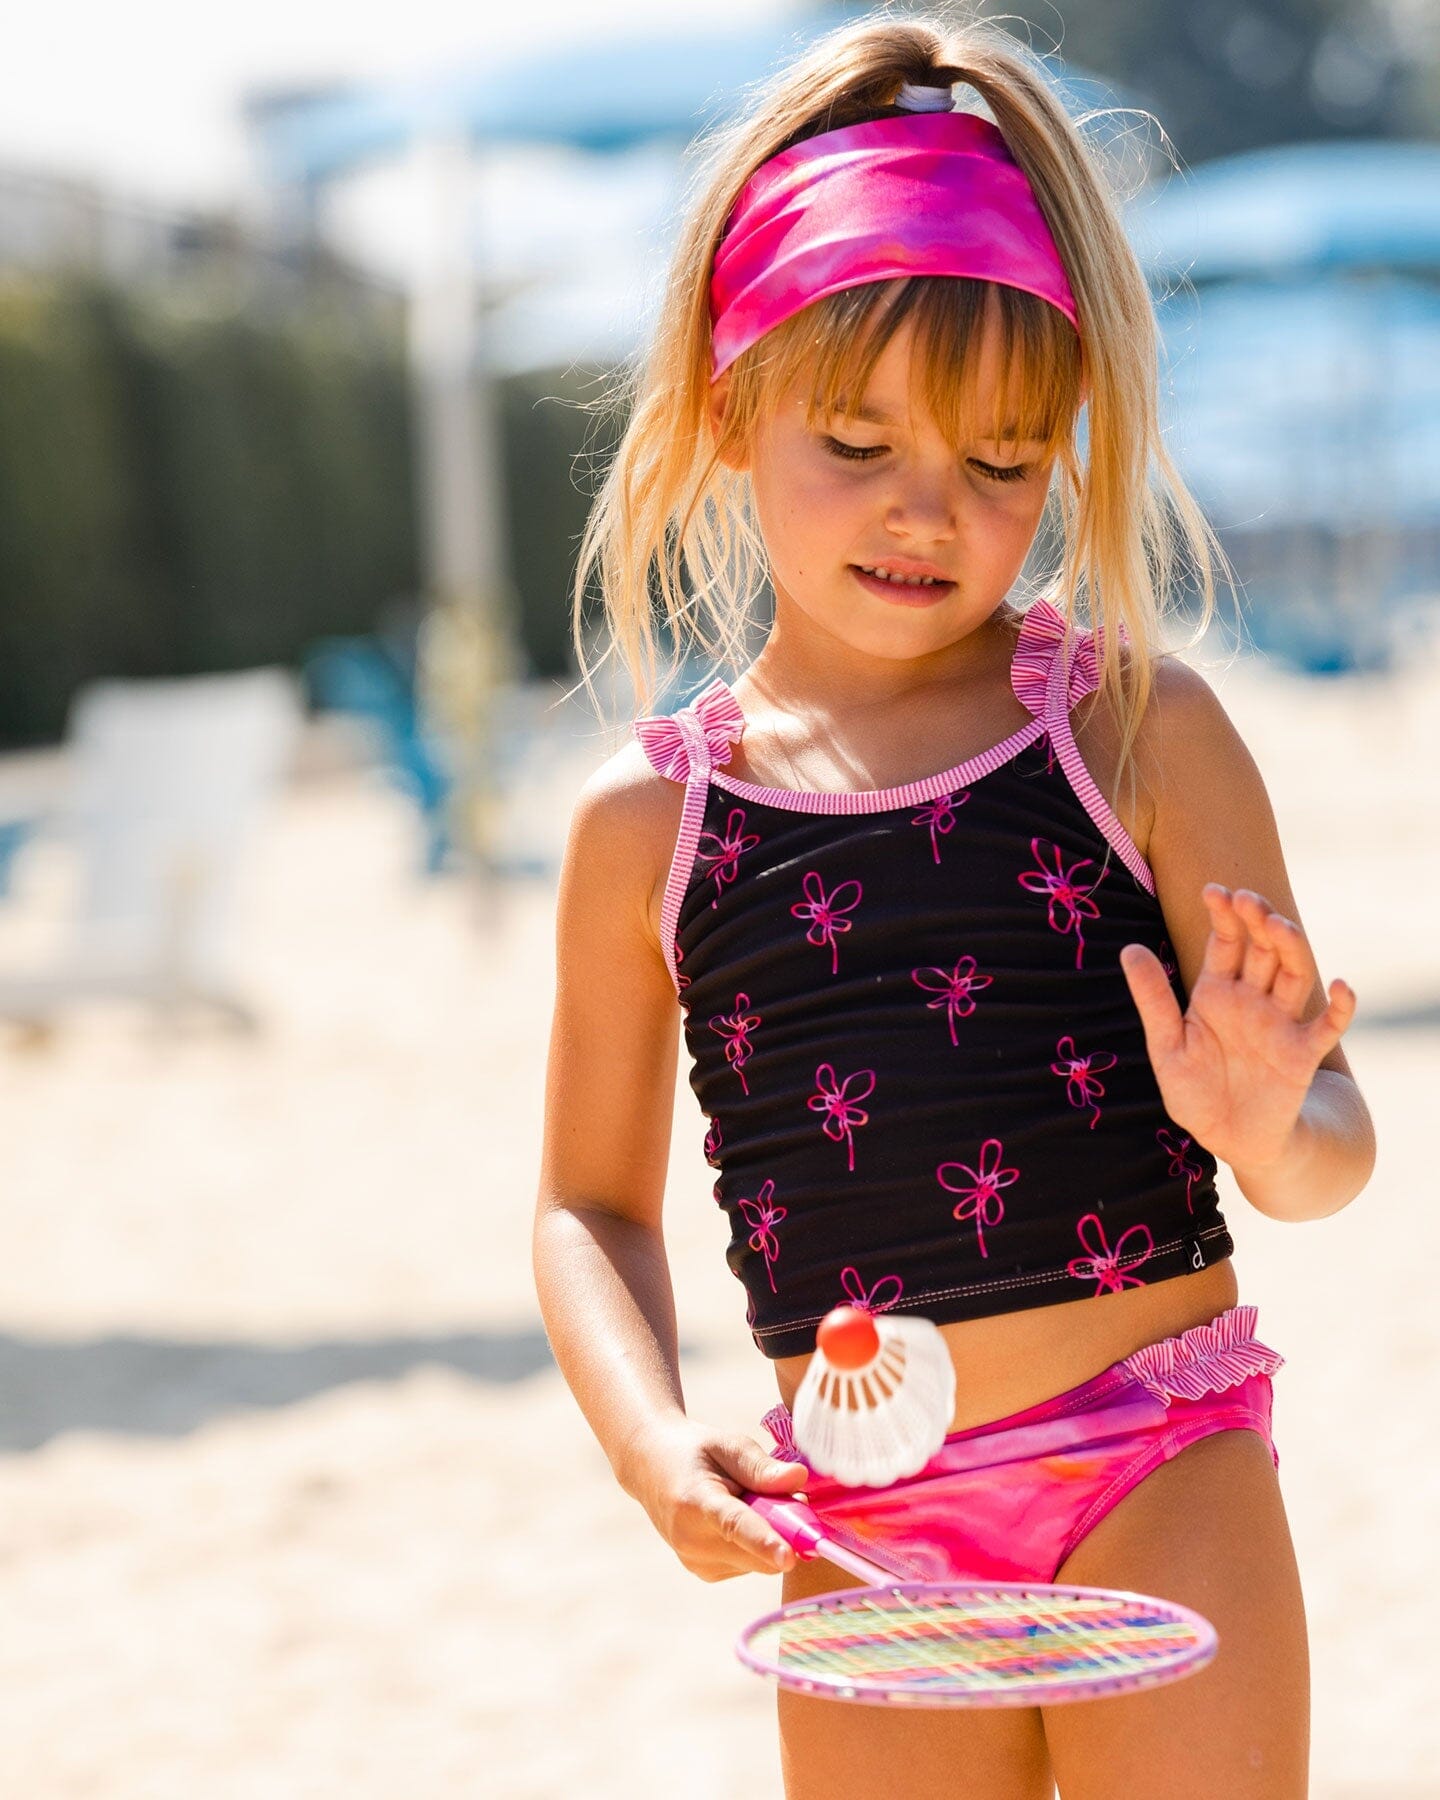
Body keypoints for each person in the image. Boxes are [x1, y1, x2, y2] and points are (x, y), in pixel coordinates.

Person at [532, 12, 1375, 1797]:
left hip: (1159, 1462)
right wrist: (646, 1439)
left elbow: (1327, 1141)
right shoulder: (646, 826)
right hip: (863, 1527)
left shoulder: (1134, 726)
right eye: (858, 438)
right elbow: (588, 1205)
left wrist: (1269, 1123)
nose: (930, 510)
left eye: (1002, 467)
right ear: (727, 398)